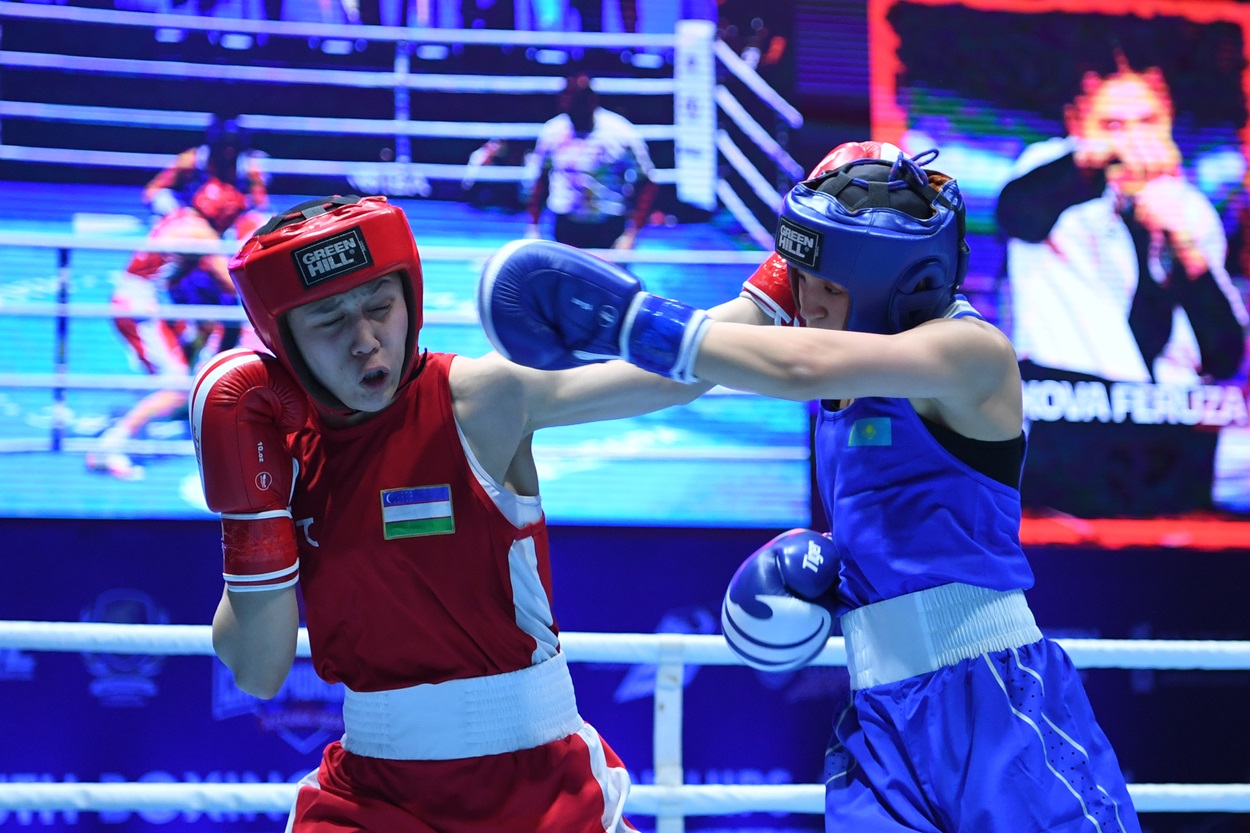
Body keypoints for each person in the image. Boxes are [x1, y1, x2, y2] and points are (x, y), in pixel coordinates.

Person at [479, 141, 1143, 832]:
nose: (811, 303)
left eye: (830, 286)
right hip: (880, 716)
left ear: (899, 283)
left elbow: (797, 367)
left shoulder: (971, 354)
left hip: (995, 696)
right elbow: (697, 365)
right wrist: (530, 401)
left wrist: (627, 318)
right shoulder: (813, 308)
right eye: (801, 280)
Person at [189, 193, 775, 831]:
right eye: (329, 320)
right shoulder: (287, 454)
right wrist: (253, 512)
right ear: (284, 339)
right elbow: (259, 670)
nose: (364, 341)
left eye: (379, 307)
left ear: (409, 299)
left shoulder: (475, 398)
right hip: (372, 792)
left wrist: (779, 287)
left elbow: (672, 375)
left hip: (538, 783)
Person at [995, 50, 1248, 516]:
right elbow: (1018, 213)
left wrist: (1187, 252)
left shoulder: (1190, 207)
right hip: (1068, 411)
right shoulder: (1052, 170)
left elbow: (1224, 354)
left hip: (1168, 422)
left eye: (1148, 122)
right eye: (1113, 125)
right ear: (1077, 123)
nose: (1134, 141)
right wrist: (1100, 160)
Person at [524, 73, 658, 251]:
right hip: (565, 226)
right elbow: (540, 180)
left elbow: (647, 181)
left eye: (577, 101)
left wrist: (631, 233)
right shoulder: (552, 131)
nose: (571, 107)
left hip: (608, 226)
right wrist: (533, 227)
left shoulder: (621, 132)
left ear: (591, 100)